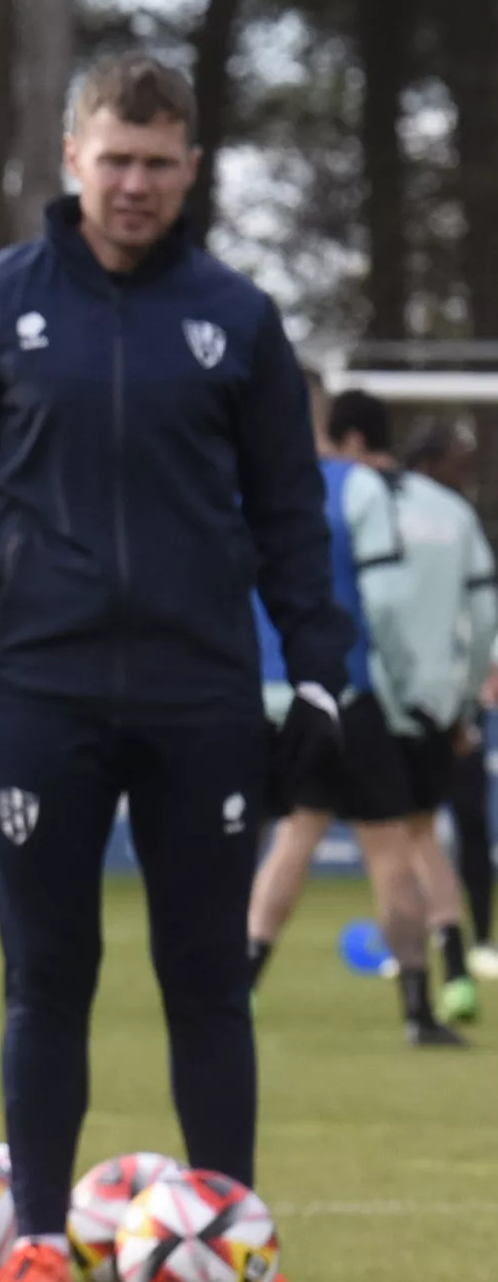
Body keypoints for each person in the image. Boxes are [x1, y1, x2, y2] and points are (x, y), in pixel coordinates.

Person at [0, 50, 349, 1282]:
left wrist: (319, 682)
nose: (136, 184)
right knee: (48, 974)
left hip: (201, 697)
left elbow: (291, 515)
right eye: (115, 159)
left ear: (193, 171)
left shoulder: (239, 317)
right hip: (42, 690)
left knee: (208, 976)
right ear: (71, 158)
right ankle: (36, 1244)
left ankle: (231, 1247)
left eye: (159, 163)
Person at [242, 390, 469, 1045]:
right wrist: (406, 689)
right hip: (345, 697)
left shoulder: (251, 484)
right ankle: (416, 1008)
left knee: (293, 839)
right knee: (390, 850)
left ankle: (241, 984)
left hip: (271, 694)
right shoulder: (357, 488)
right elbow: (385, 603)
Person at [401, 421, 498, 996]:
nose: (465, 473)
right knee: (428, 829)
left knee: (408, 832)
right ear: (430, 461)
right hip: (446, 701)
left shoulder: (395, 512)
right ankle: (458, 957)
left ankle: (448, 954)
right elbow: (482, 617)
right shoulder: (455, 521)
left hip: (402, 697)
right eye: (458, 462)